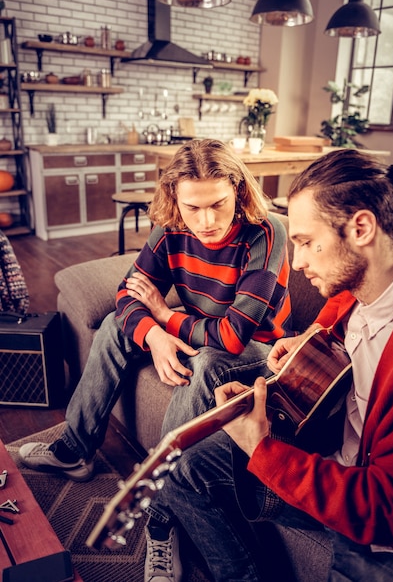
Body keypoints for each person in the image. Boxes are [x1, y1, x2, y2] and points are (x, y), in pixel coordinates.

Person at [144, 148, 393, 582]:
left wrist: (261, 449)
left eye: (307, 242)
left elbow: (391, 514)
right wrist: (306, 344)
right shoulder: (356, 293)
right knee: (182, 467)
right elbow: (338, 345)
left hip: (374, 524)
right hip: (330, 448)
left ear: (362, 228)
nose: (300, 260)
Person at [19, 138, 294, 485]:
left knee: (207, 360)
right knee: (114, 325)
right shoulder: (172, 227)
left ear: (237, 191)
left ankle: (162, 490)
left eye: (217, 204)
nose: (206, 221)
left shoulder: (265, 232)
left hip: (262, 350)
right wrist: (154, 334)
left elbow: (232, 336)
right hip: (202, 332)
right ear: (175, 199)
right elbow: (127, 293)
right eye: (193, 207)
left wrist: (165, 317)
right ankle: (75, 451)